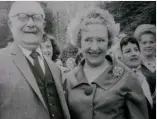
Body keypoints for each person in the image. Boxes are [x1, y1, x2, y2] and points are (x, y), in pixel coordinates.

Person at [64, 7, 148, 119]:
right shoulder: (68, 80)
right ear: (80, 42)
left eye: (100, 40)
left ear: (109, 42)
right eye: (88, 40)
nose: (94, 47)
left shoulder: (127, 77)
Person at [0, 2, 70, 119]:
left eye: (36, 18)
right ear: (11, 24)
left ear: (43, 25)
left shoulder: (55, 69)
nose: (31, 24)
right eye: (22, 17)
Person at [120, 36, 153, 119]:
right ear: (121, 57)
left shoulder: (150, 77)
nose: (134, 53)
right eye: (128, 51)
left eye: (136, 50)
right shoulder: (118, 80)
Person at [134, 24, 156, 95]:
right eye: (144, 43)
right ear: (139, 44)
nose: (148, 45)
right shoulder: (134, 64)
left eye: (151, 42)